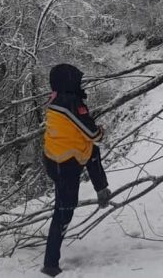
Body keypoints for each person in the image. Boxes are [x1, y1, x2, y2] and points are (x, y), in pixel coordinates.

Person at [41, 64, 112, 277]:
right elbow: (92, 134)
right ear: (69, 82)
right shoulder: (70, 103)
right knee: (64, 211)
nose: (80, 83)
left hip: (55, 157)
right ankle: (50, 265)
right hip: (64, 163)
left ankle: (102, 189)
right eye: (77, 80)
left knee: (92, 153)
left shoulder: (57, 99)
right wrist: (100, 130)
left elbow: (79, 132)